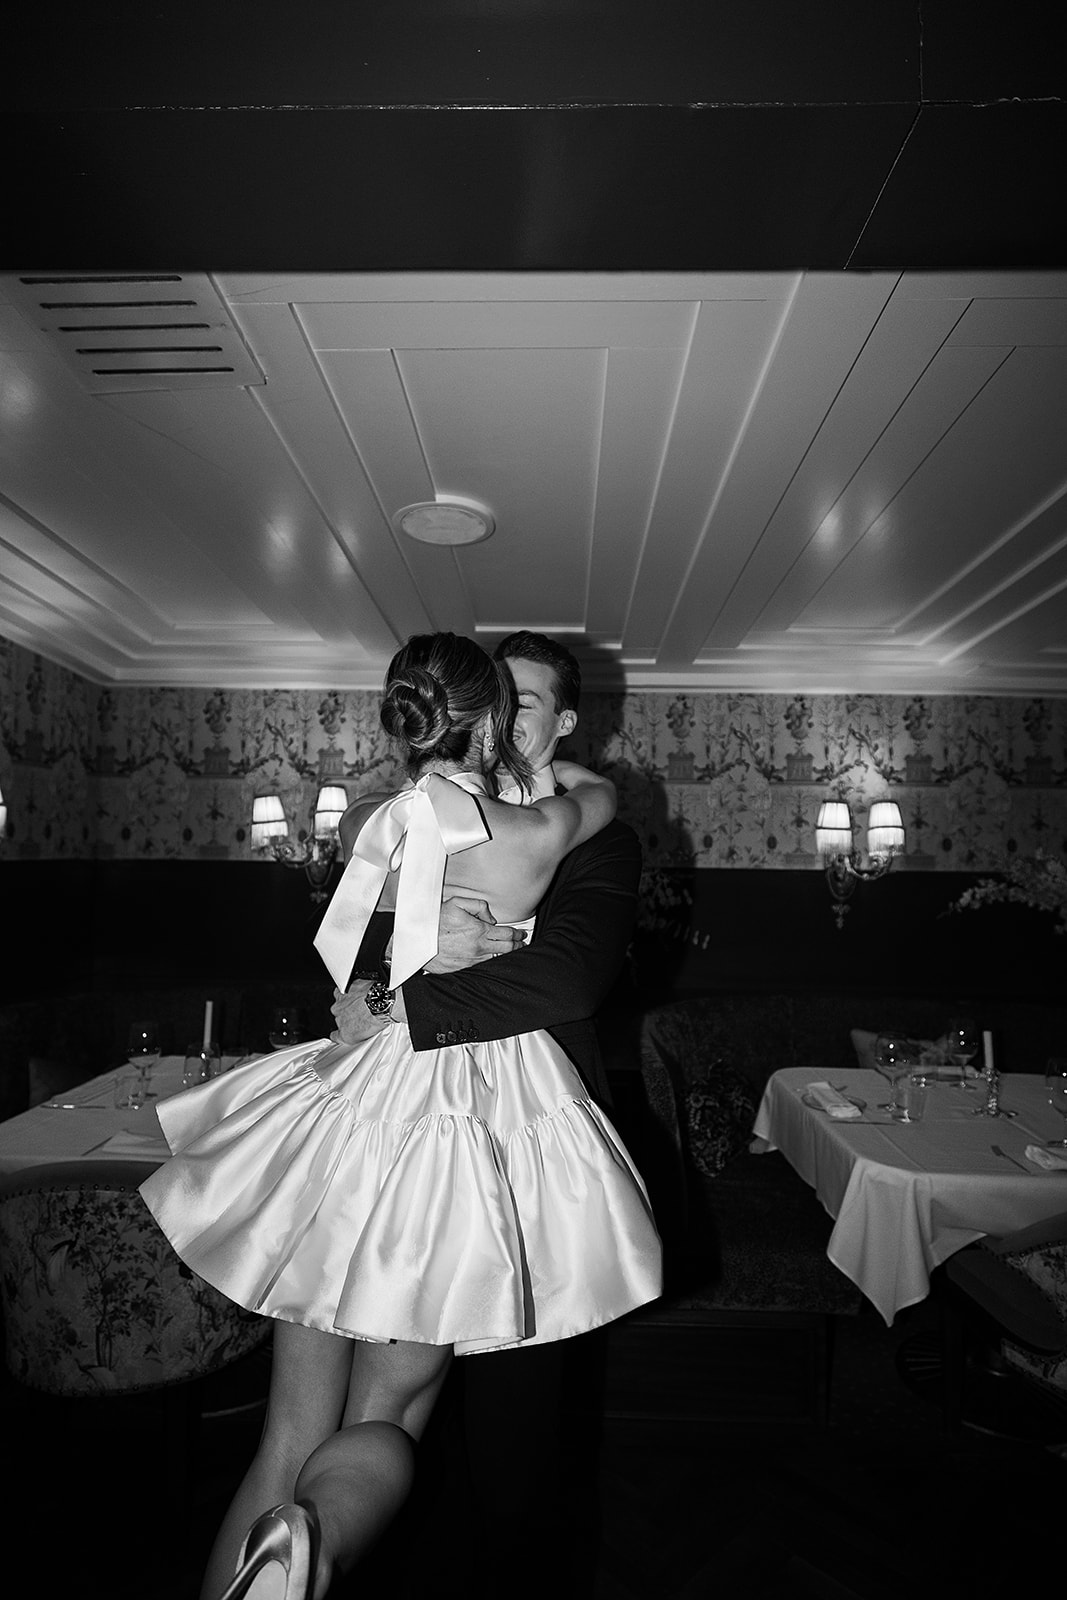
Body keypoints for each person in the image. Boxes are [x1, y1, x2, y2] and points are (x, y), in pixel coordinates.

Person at [138, 631, 662, 1600]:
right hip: (461, 1113)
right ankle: (314, 1538)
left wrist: (395, 969)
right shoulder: (546, 827)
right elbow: (589, 805)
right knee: (392, 1407)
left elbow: (369, 927)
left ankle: (260, 1554)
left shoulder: (370, 819)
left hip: (357, 1098)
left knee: (288, 1429)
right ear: (492, 715)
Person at [330, 629, 645, 1593]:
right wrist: (373, 993)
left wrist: (393, 1003)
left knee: (513, 1445)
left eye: (531, 703)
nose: (511, 720)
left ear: (566, 721)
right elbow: (350, 978)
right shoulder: (489, 822)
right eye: (497, 701)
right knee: (379, 1405)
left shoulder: (595, 834)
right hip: (405, 1142)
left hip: (532, 1175)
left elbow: (569, 979)